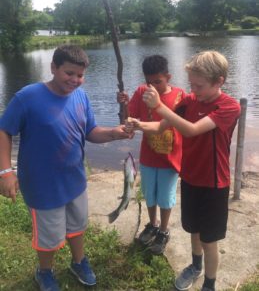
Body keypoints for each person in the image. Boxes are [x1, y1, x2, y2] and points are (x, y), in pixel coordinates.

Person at [0, 45, 133, 291]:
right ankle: (45, 272)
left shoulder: (81, 97)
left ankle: (79, 261)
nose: (75, 80)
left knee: (77, 226)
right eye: (69, 73)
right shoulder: (27, 97)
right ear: (53, 68)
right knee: (49, 237)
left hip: (75, 180)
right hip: (42, 186)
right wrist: (5, 172)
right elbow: (4, 131)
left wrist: (114, 133)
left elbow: (90, 132)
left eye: (80, 75)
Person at [128, 50, 241, 291]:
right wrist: (138, 125)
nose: (194, 90)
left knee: (210, 240)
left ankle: (209, 284)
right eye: (191, 84)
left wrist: (158, 105)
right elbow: (160, 126)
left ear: (219, 81)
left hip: (214, 183)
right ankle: (195, 266)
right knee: (194, 230)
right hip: (190, 179)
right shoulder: (189, 101)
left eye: (199, 86)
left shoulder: (228, 107)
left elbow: (191, 130)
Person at [118, 55, 185, 255]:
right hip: (148, 157)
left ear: (168, 77)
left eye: (158, 81)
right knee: (149, 195)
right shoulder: (141, 92)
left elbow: (173, 125)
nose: (153, 86)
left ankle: (164, 230)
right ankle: (152, 224)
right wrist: (123, 105)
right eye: (149, 82)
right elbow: (128, 122)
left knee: (165, 197)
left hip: (170, 159)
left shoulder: (181, 96)